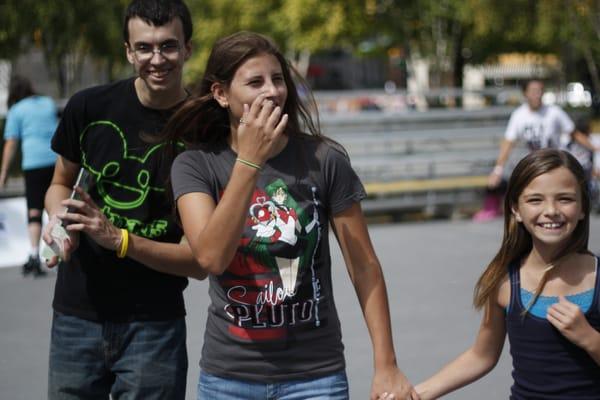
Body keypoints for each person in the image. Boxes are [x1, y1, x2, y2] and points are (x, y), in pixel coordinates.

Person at [165, 31, 418, 400]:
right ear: (221, 94)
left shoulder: (324, 160)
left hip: (315, 378)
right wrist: (249, 161)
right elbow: (211, 257)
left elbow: (364, 267)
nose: (272, 91)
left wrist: (387, 365)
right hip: (228, 380)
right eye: (255, 82)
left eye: (277, 79)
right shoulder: (195, 165)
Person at [42, 1, 204, 399]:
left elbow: (202, 258)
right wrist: (57, 221)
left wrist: (117, 237)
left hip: (156, 321)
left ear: (188, 49)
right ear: (128, 52)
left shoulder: (205, 126)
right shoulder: (89, 107)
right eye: (144, 48)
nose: (156, 58)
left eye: (168, 46)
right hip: (76, 314)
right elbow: (59, 183)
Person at [416, 149, 600, 399]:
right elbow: (482, 356)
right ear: (515, 209)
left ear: (582, 208)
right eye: (535, 200)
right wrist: (416, 394)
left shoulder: (597, 276)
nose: (551, 210)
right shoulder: (504, 281)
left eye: (565, 199)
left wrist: (589, 338)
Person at [474, 79, 577, 221]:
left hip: (554, 165)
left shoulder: (554, 112)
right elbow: (508, 143)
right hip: (532, 166)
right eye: (533, 91)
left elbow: (574, 133)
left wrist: (595, 147)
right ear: (525, 94)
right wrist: (497, 170)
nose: (537, 95)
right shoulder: (519, 115)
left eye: (540, 91)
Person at [0, 75, 58, 276]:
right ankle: (54, 252)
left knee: (34, 210)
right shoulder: (48, 103)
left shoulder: (17, 110)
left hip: (33, 164)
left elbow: (11, 143)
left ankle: (34, 255)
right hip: (55, 160)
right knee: (56, 207)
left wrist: (4, 173)